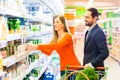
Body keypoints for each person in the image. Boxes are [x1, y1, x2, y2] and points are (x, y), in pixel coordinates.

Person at [26, 15, 81, 79]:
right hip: (63, 68)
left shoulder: (68, 36)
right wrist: (36, 48)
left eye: (57, 22)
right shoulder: (55, 39)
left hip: (73, 67)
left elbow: (58, 46)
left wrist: (38, 46)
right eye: (54, 22)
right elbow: (48, 52)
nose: (55, 24)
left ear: (63, 24)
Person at [83, 8, 109, 79]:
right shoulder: (89, 31)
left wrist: (91, 64)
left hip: (96, 72)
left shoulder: (98, 32)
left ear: (95, 18)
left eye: (87, 17)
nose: (85, 19)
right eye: (84, 16)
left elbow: (105, 53)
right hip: (89, 72)